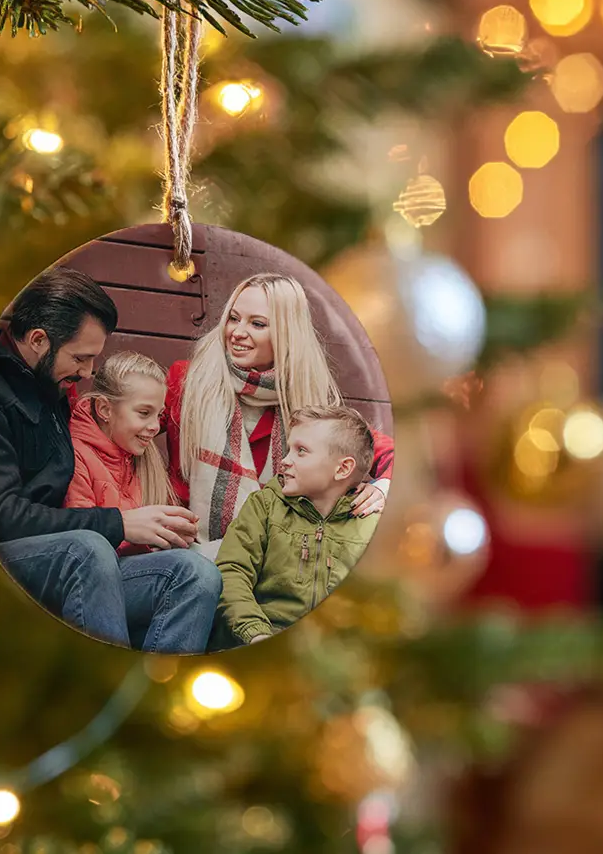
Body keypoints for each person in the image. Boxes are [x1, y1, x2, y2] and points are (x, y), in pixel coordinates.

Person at [0, 266, 222, 654]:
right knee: (87, 549)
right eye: (80, 358)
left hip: (80, 563)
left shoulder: (52, 390)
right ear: (38, 340)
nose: (87, 372)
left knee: (195, 573)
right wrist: (120, 524)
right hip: (8, 560)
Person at [163, 272, 394, 559]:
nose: (237, 332)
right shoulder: (190, 379)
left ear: (285, 334)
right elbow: (122, 424)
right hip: (189, 552)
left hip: (272, 554)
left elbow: (378, 448)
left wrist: (384, 486)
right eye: (234, 318)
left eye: (257, 324)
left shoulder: (305, 399)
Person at [214, 405, 377, 646]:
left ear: (343, 468)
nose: (284, 461)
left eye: (301, 451)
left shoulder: (369, 524)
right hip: (258, 638)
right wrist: (255, 632)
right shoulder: (265, 505)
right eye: (289, 449)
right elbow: (231, 571)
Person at [64, 351, 180, 560]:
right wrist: (140, 536)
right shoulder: (76, 456)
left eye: (159, 415)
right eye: (144, 413)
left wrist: (172, 533)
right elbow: (81, 543)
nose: (155, 426)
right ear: (104, 409)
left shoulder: (145, 459)